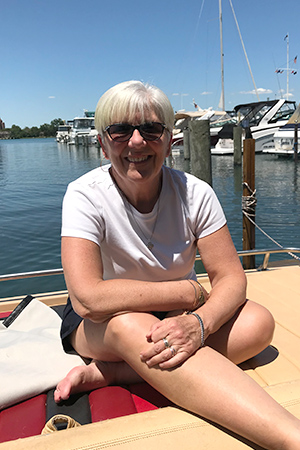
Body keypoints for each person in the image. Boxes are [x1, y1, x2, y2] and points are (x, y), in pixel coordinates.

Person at [55, 80, 300, 449]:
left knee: (258, 323)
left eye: (151, 129)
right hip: (101, 323)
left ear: (170, 140)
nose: (136, 141)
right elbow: (87, 299)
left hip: (177, 314)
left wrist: (200, 323)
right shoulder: (84, 195)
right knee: (129, 323)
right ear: (103, 144)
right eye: (120, 130)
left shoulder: (196, 193)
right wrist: (185, 291)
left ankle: (118, 372)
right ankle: (289, 437)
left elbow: (231, 277)